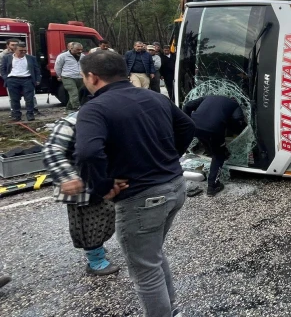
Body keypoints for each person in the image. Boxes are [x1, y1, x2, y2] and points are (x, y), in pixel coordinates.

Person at [75, 50, 195, 316]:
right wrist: (168, 159)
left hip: (142, 198)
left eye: (83, 77)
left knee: (145, 270)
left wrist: (103, 186)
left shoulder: (94, 109)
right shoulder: (155, 97)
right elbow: (187, 126)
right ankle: (172, 311)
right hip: (175, 186)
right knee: (152, 256)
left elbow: (87, 153)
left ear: (92, 77)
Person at [43, 95, 120, 276]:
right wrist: (67, 177)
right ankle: (95, 260)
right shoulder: (70, 123)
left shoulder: (110, 119)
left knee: (106, 215)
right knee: (87, 223)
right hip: (77, 183)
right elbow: (52, 150)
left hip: (102, 180)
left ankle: (97, 247)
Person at [182, 95, 246, 197]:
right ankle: (213, 186)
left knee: (206, 138)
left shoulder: (208, 97)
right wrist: (234, 129)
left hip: (194, 126)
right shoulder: (234, 104)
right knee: (219, 155)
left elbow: (187, 106)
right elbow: (237, 119)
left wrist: (188, 121)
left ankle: (211, 150)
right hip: (214, 129)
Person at [0, 43, 41, 121]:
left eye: (25, 50)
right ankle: (16, 115)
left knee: (29, 99)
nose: (23, 52)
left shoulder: (31, 58)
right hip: (12, 80)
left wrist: (37, 80)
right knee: (14, 99)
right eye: (21, 50)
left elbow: (37, 69)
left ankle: (30, 114)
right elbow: (2, 69)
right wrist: (7, 79)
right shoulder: (6, 58)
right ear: (15, 50)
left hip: (27, 79)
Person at [55, 42, 85, 110]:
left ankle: (69, 108)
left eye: (81, 49)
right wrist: (59, 75)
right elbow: (58, 67)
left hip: (80, 77)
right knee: (74, 93)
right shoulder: (63, 56)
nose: (80, 51)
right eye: (78, 49)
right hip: (68, 77)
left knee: (78, 94)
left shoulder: (83, 56)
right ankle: (77, 108)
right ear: (71, 48)